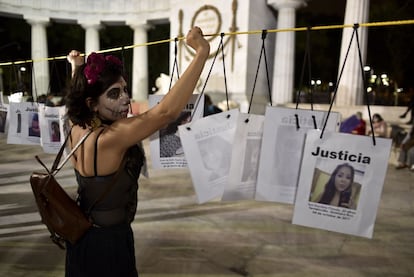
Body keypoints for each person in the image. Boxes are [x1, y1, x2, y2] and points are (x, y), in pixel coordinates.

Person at [64, 26, 210, 277]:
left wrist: (76, 67)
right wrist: (201, 53)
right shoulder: (110, 138)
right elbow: (165, 113)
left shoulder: (74, 127)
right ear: (92, 104)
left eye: (124, 90)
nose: (125, 99)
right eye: (114, 93)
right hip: (108, 246)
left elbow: (81, 94)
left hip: (81, 241)